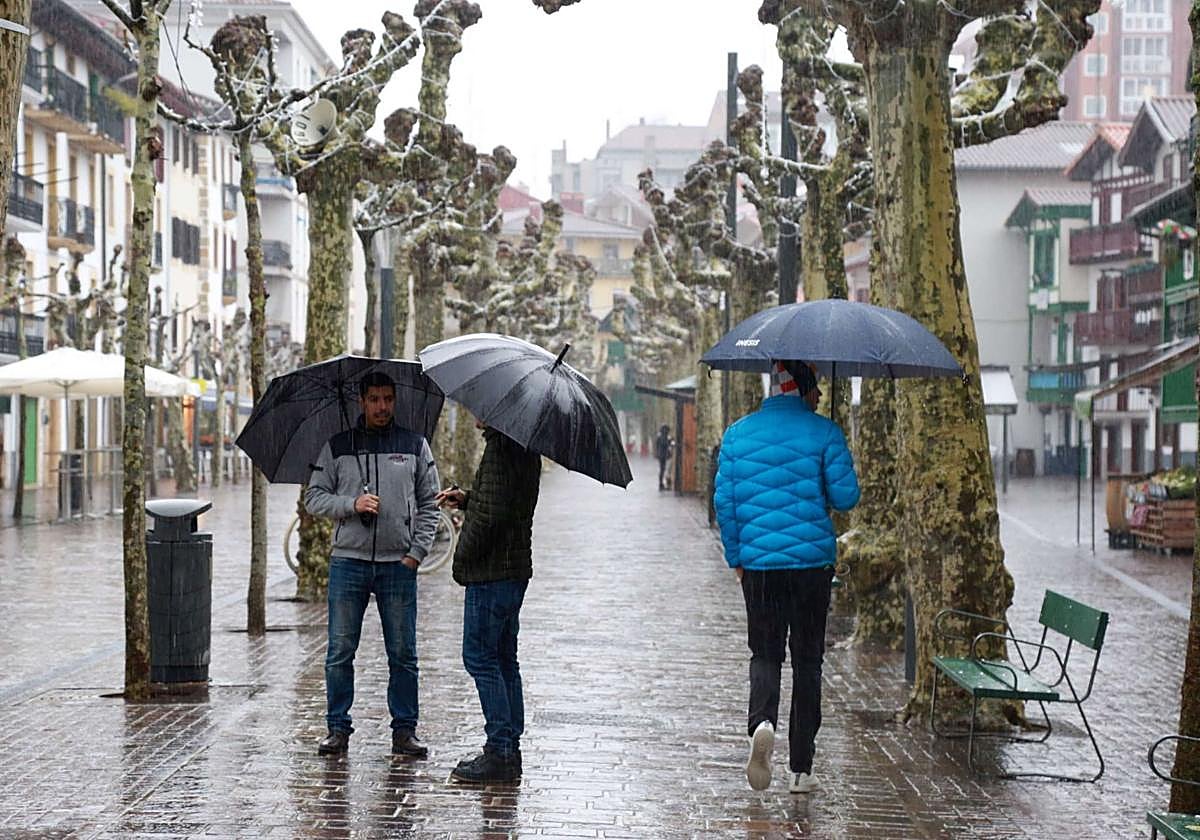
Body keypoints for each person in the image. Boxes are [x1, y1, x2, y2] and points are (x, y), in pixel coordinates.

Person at [713, 360, 860, 794]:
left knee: (765, 653)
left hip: (758, 567)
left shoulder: (737, 435)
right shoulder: (824, 432)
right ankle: (801, 769)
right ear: (805, 389)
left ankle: (762, 723)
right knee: (808, 660)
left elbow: (725, 503)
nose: (819, 398)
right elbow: (846, 497)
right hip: (812, 566)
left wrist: (737, 558)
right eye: (816, 390)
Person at [304, 371, 441, 758]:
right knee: (339, 651)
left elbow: (430, 503)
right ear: (362, 401)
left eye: (388, 399)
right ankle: (337, 728)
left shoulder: (414, 445)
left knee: (403, 653)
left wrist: (417, 553)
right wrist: (351, 504)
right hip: (349, 563)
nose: (382, 407)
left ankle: (405, 730)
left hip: (398, 564)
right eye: (374, 399)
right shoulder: (337, 447)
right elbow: (314, 498)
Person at [436, 421, 541, 783]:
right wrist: (467, 498)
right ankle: (509, 746)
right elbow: (501, 503)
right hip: (513, 569)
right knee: (503, 657)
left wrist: (463, 556)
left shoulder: (501, 449)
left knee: (480, 657)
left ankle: (499, 749)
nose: (474, 412)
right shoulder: (522, 444)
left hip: (492, 571)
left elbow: (491, 518)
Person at [654, 424, 674, 491]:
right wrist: (670, 441)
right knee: (663, 470)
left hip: (661, 455)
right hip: (663, 456)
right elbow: (665, 443)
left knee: (662, 470)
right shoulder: (663, 436)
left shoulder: (659, 436)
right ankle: (661, 484)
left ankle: (661, 484)